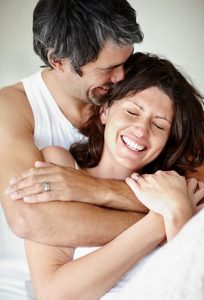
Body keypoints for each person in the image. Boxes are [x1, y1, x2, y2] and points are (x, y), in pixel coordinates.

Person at [15, 52, 204, 299]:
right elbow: (52, 293)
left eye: (159, 125)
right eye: (132, 112)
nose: (141, 129)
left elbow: (189, 284)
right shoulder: (60, 167)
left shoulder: (181, 189)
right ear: (104, 111)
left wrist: (179, 213)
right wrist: (158, 220)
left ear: (168, 140)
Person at [0, 1, 146, 299]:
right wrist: (162, 221)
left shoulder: (134, 93)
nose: (121, 77)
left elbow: (197, 188)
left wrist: (92, 190)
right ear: (58, 61)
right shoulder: (12, 109)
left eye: (125, 61)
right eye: (108, 68)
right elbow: (32, 220)